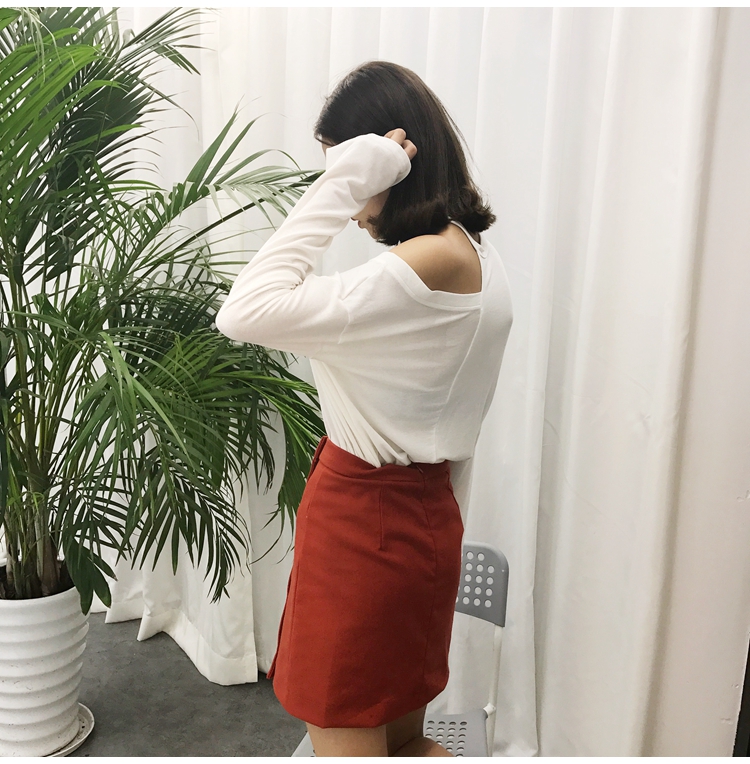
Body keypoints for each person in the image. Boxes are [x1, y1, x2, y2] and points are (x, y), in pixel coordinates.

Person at [215, 61, 513, 757]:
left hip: (362, 534)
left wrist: (344, 179)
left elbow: (242, 310)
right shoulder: (475, 254)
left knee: (352, 737)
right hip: (424, 525)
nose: (351, 205)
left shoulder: (410, 276)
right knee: (405, 743)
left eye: (347, 171)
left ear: (386, 164)